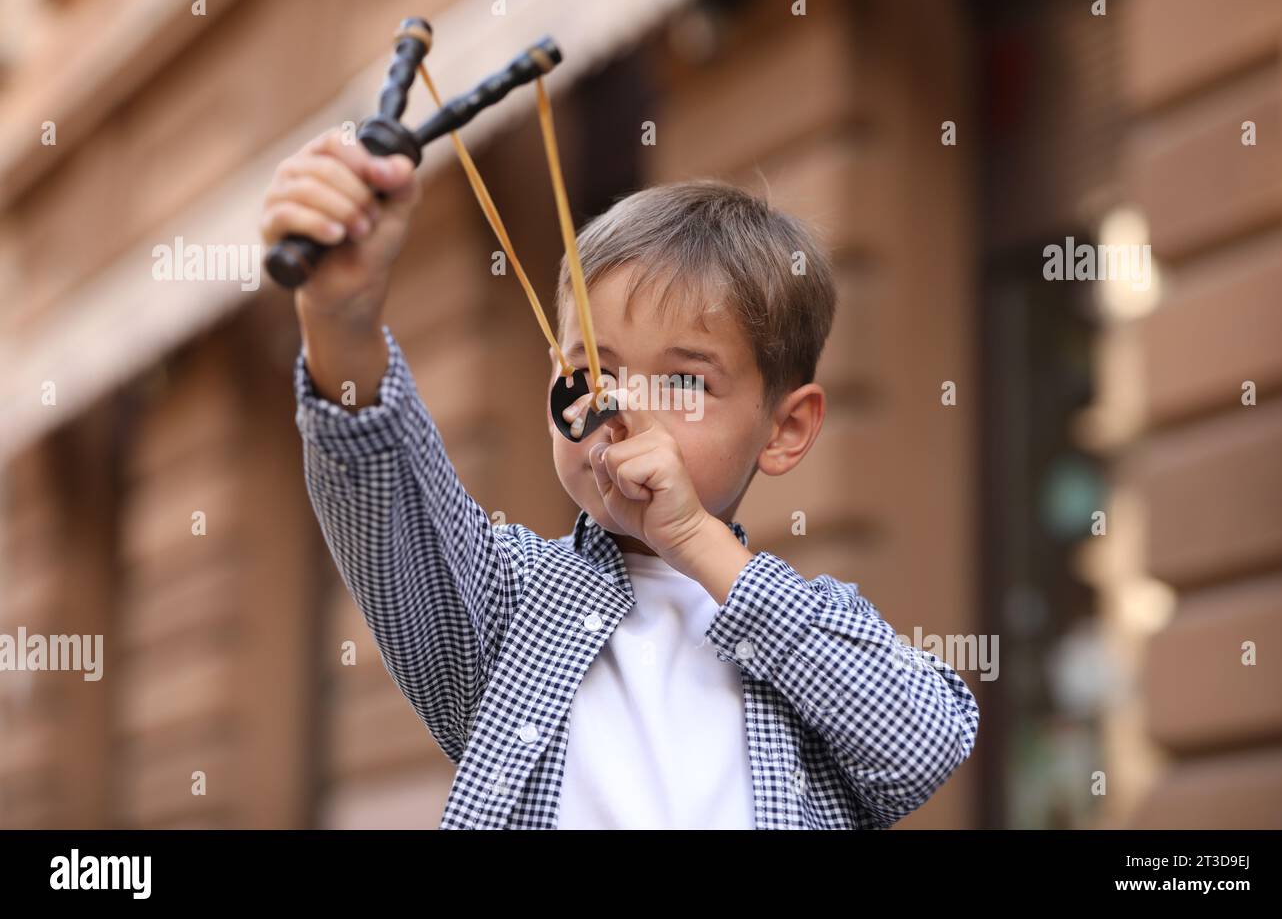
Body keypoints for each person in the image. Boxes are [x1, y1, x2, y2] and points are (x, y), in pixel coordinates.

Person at [259, 128, 980, 829]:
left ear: (785, 430)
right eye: (593, 372)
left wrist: (696, 538)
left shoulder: (811, 628)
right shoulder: (508, 598)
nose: (622, 410)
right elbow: (390, 499)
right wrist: (339, 315)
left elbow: (921, 744)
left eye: (685, 381)